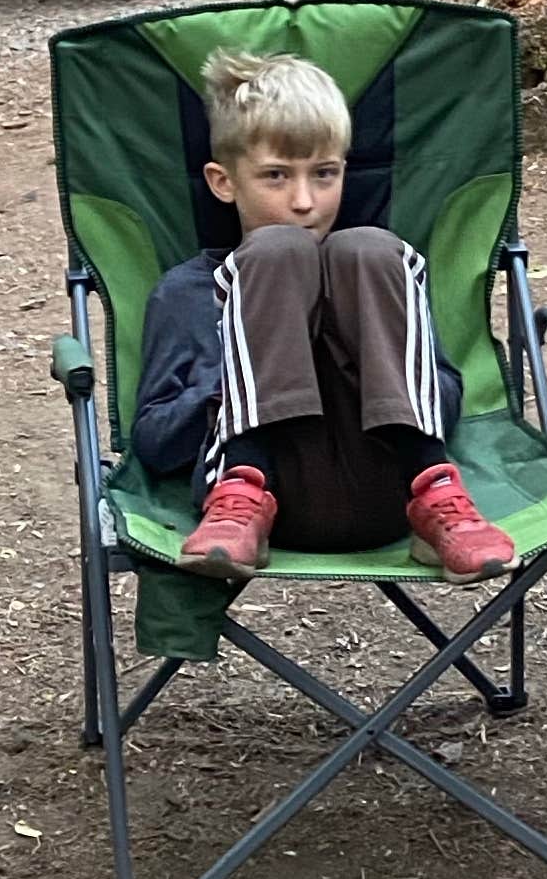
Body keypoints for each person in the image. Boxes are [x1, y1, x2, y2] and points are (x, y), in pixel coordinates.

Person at [131, 47, 514, 584]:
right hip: (251, 506)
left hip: (392, 490)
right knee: (275, 253)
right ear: (223, 182)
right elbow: (154, 441)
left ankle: (437, 490)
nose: (305, 200)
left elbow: (445, 404)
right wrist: (251, 371)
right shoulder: (186, 292)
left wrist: (359, 365)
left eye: (324, 173)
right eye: (276, 176)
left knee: (369, 248)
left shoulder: (374, 281)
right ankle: (245, 475)